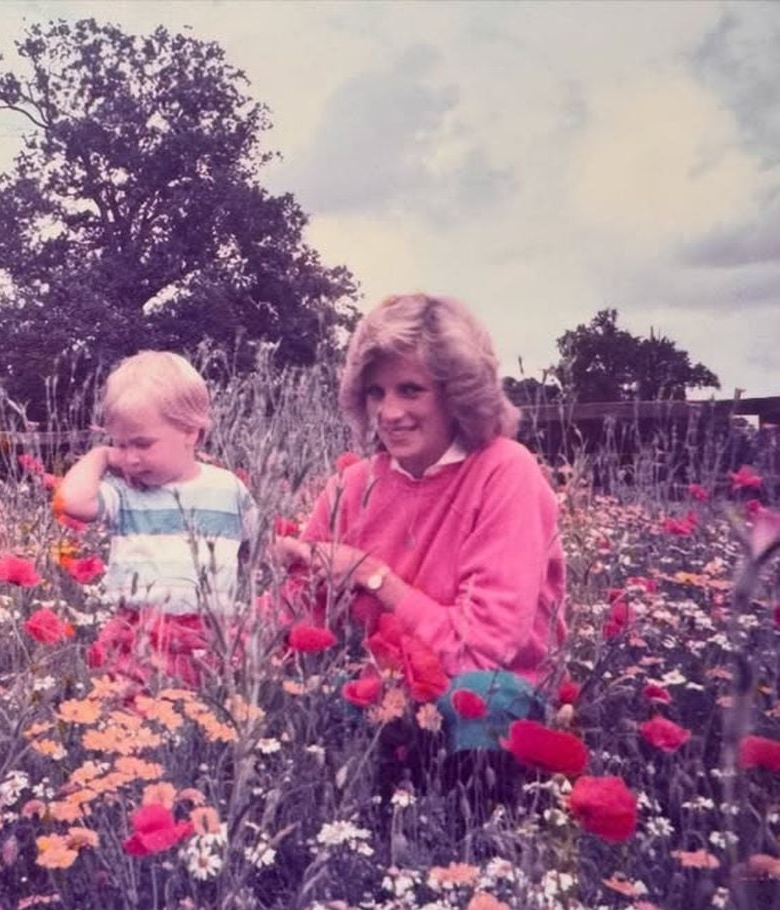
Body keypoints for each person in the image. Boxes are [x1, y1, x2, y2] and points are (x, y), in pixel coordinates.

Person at [276, 293, 567, 831]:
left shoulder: (505, 471)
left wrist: (371, 574)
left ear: (459, 394)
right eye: (376, 392)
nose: (389, 412)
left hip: (483, 695)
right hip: (381, 694)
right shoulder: (351, 486)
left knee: (476, 699)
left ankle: (481, 847)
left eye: (411, 389)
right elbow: (296, 620)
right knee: (295, 710)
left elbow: (482, 651)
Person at [56, 351, 258, 686]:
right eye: (120, 444)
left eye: (142, 444)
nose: (131, 459)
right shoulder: (124, 493)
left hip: (207, 637)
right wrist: (101, 455)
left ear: (190, 432)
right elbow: (71, 501)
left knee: (201, 722)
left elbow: (257, 552)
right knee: (133, 724)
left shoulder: (229, 491)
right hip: (136, 635)